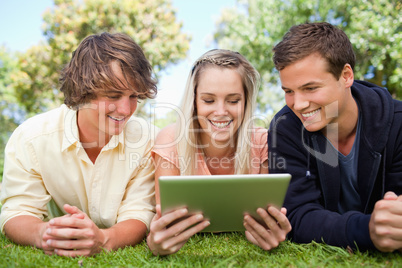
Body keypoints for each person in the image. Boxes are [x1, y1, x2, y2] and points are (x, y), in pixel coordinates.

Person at [0, 32, 158, 257]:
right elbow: (17, 210)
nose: (126, 110)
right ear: (82, 92)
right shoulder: (31, 138)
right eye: (113, 96)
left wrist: (104, 239)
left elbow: (140, 213)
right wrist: (46, 233)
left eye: (134, 97)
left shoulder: (149, 141)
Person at [268, 22, 402, 252]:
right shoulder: (285, 129)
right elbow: (298, 215)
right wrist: (366, 229)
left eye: (310, 88)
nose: (297, 105)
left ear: (346, 75)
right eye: (288, 91)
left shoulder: (398, 123)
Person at [146, 49, 292, 255]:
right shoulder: (171, 139)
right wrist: (156, 241)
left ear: (246, 102)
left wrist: (270, 229)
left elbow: (267, 214)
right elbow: (165, 221)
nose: (221, 112)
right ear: (194, 101)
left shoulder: (261, 141)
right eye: (208, 100)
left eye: (233, 101)